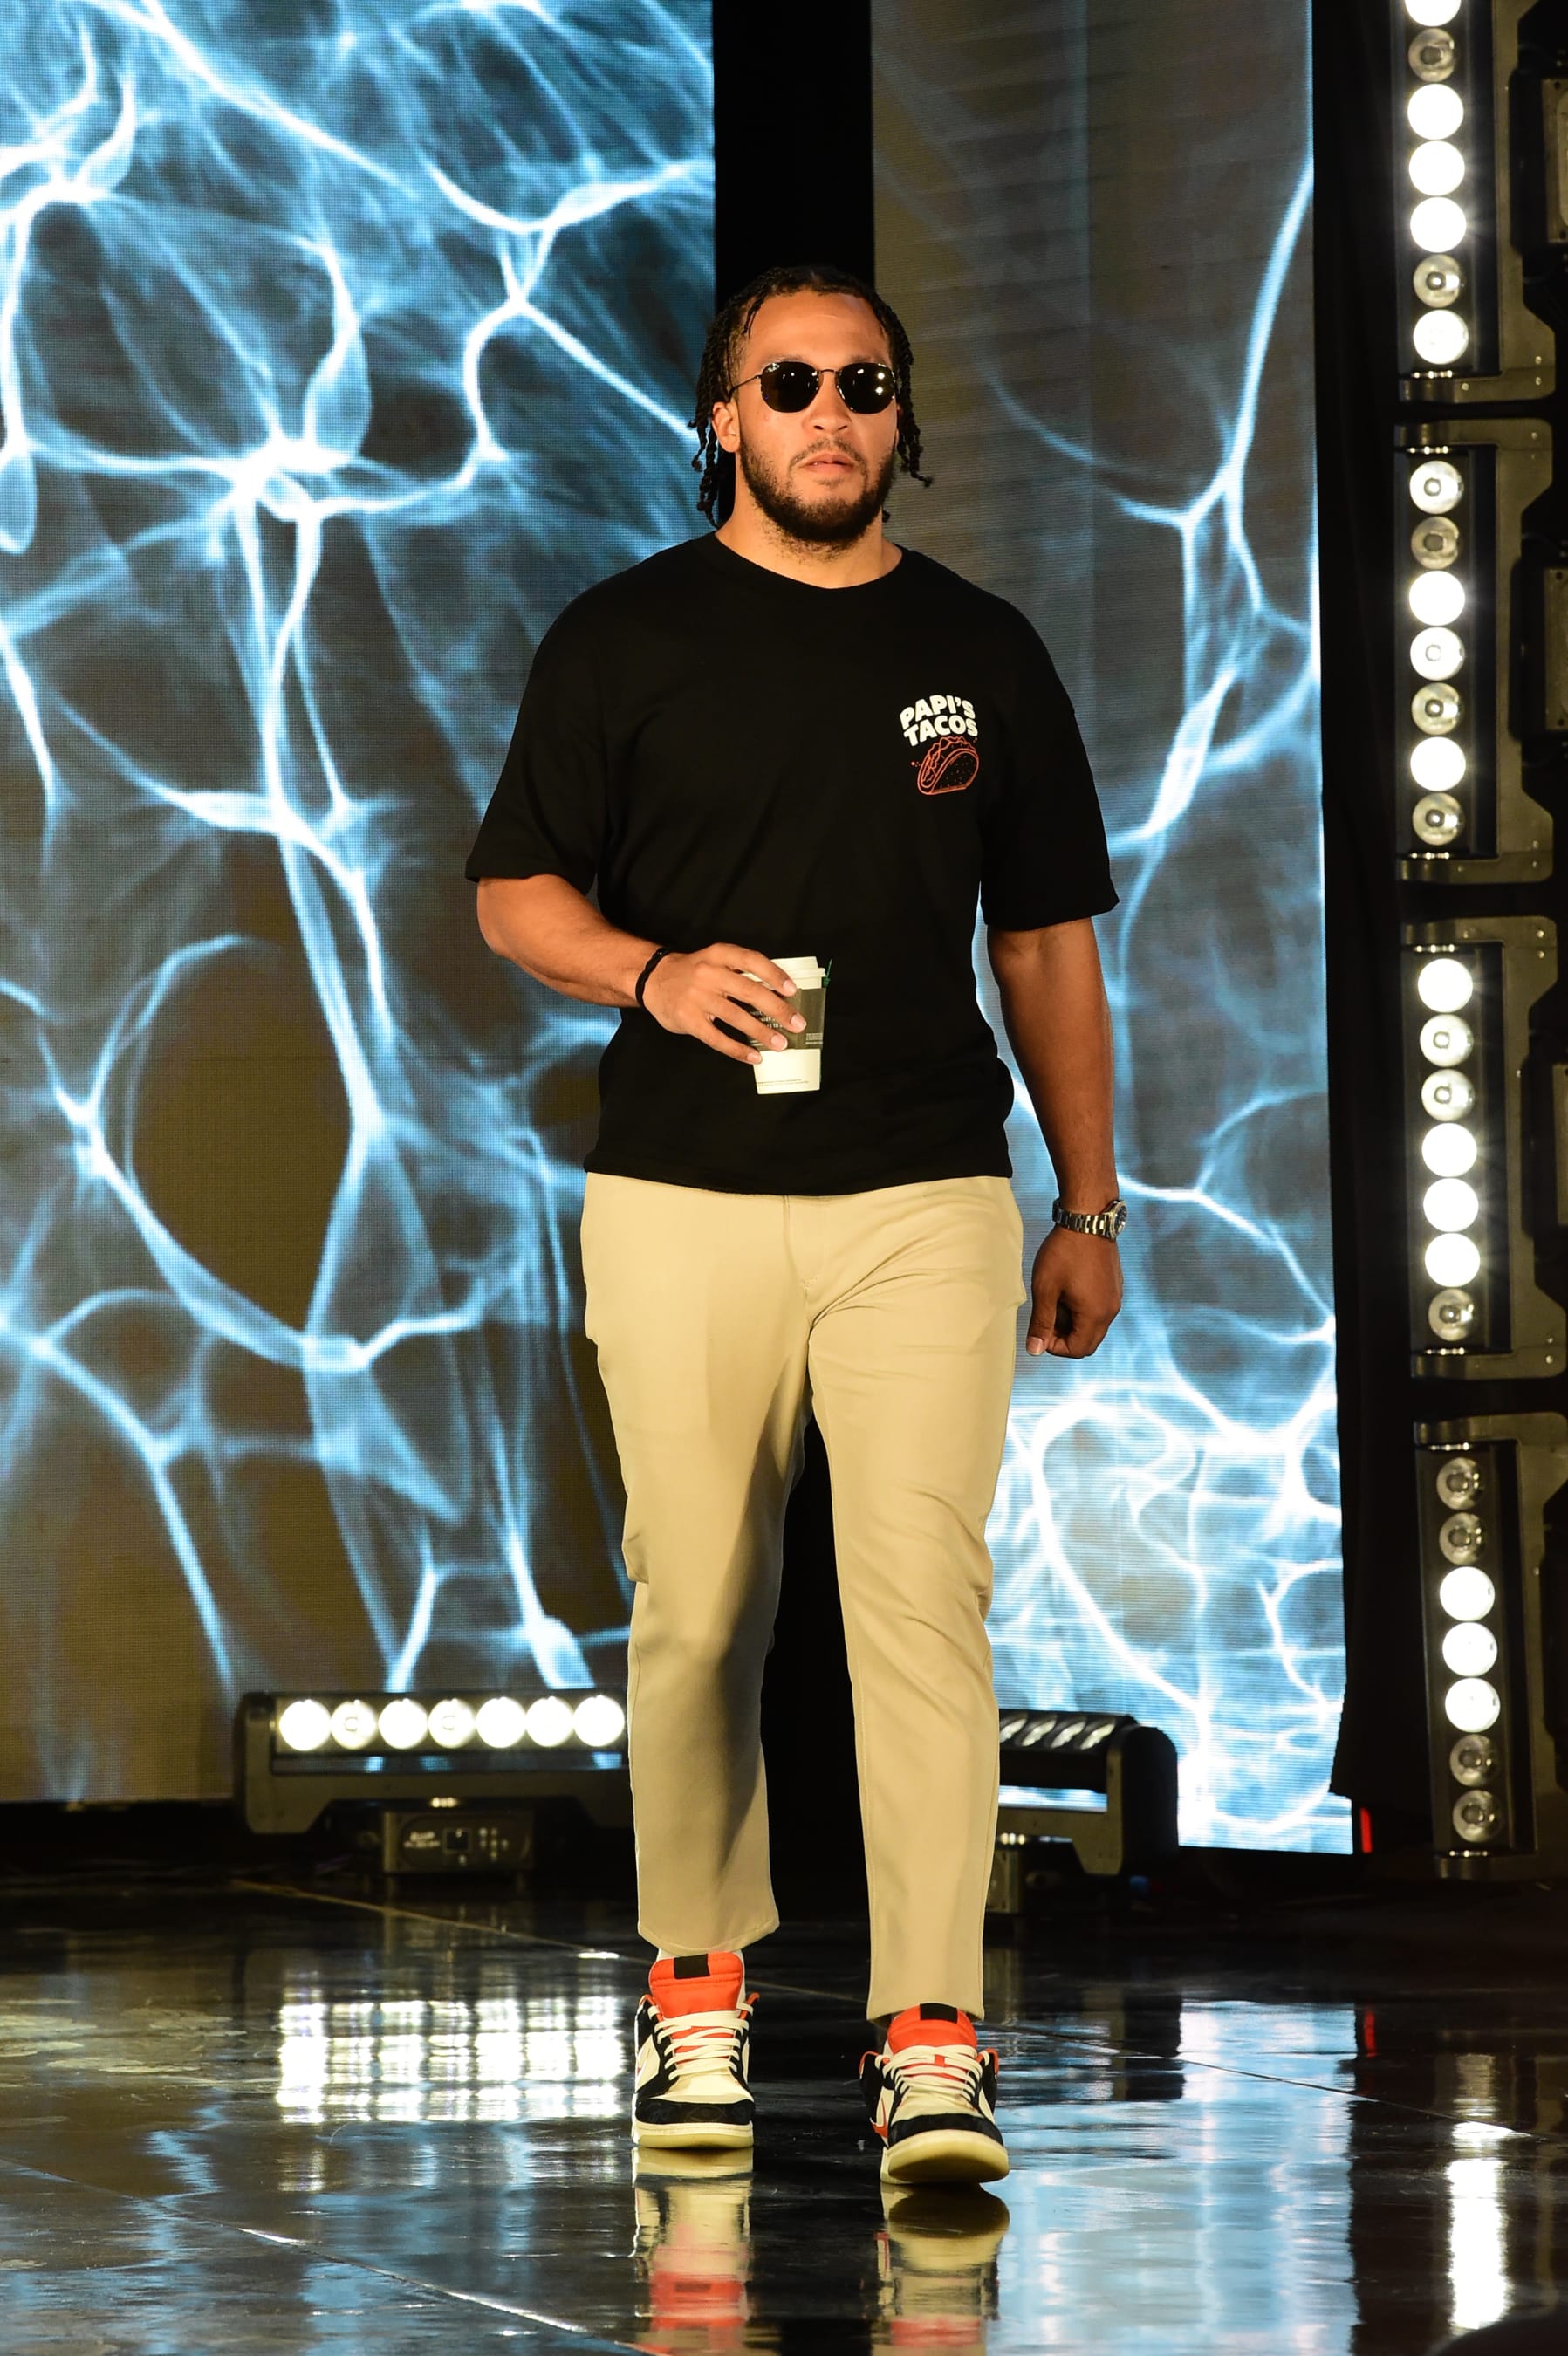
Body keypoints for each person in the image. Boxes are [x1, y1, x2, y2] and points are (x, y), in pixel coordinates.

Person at [467, 261, 1123, 2186]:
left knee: (919, 1609)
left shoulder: (981, 650)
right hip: (680, 1192)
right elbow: (514, 897)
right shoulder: (622, 639)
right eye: (788, 381)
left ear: (900, 422)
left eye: (862, 383)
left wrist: (1086, 1202)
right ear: (723, 419)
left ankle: (930, 2032)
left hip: (925, 1190)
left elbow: (1050, 946)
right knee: (697, 1613)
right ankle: (696, 1995)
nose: (828, 410)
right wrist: (654, 974)